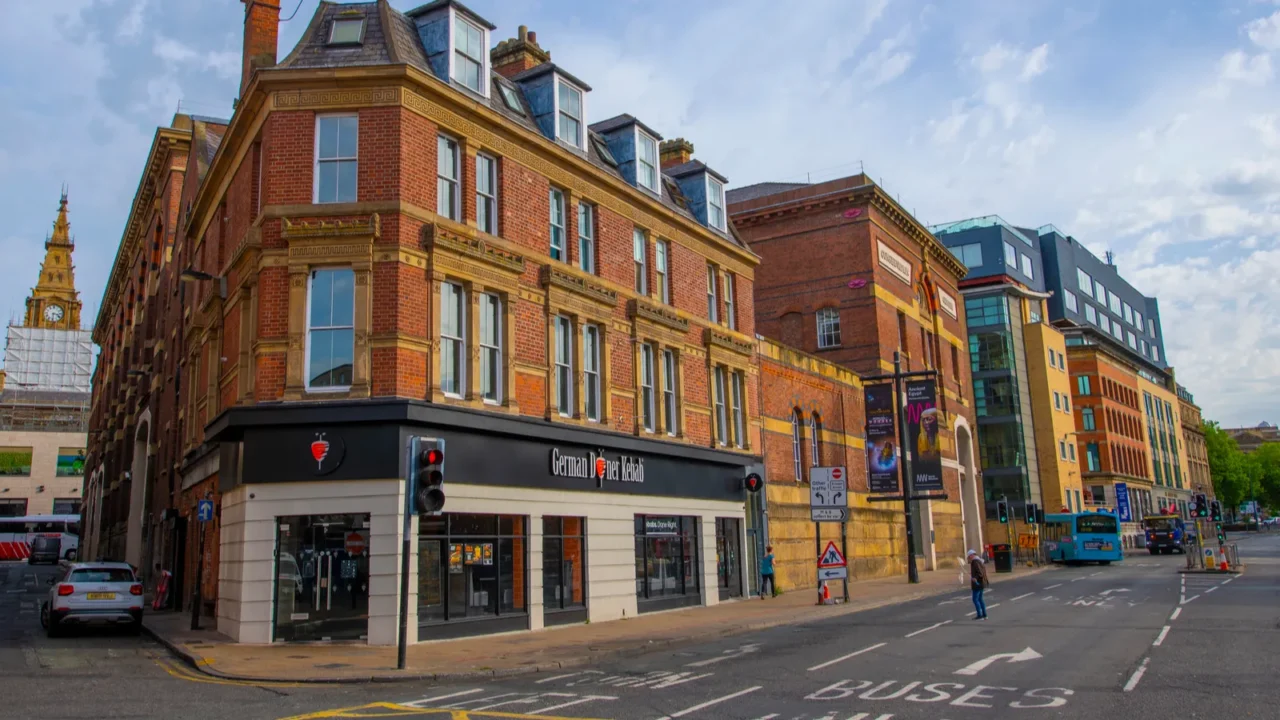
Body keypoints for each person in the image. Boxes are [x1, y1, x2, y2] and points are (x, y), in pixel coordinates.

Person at [968, 549, 989, 620]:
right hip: (982, 583)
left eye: (969, 556)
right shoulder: (980, 561)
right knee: (980, 599)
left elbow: (980, 573)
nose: (969, 558)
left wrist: (975, 578)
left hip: (978, 584)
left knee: (975, 599)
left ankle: (980, 615)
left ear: (972, 555)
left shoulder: (975, 562)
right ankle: (984, 615)